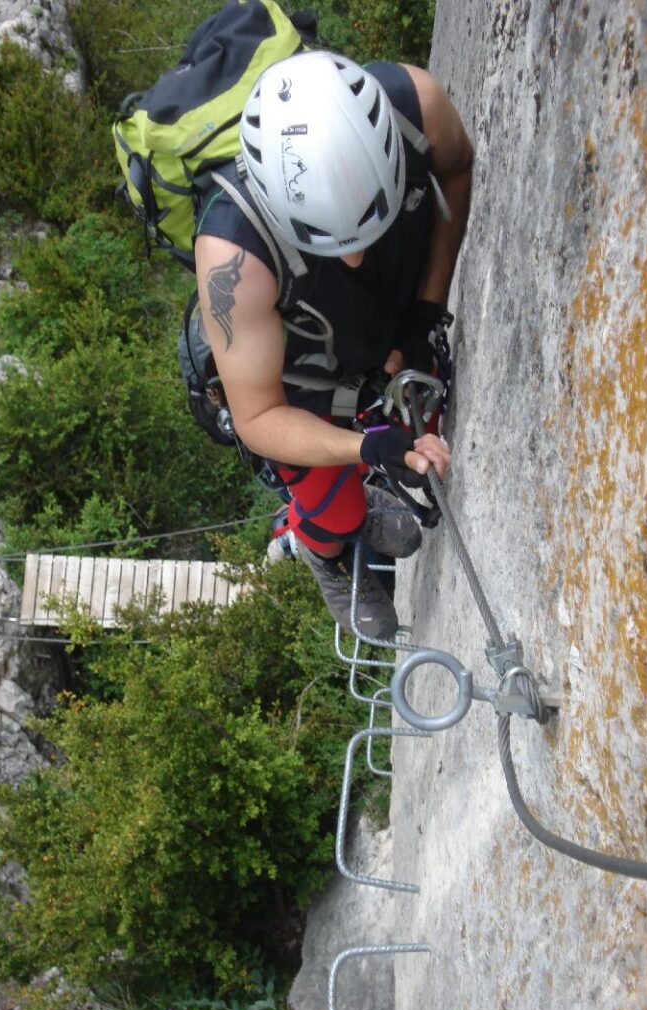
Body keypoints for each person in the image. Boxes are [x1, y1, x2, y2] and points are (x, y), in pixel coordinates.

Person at [192, 50, 473, 638]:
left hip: (389, 309)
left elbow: (455, 168)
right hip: (301, 382)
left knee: (415, 429)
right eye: (329, 240)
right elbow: (259, 416)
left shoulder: (418, 108)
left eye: (369, 222)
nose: (352, 256)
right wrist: (367, 450)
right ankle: (327, 550)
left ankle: (354, 501)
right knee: (334, 510)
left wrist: (426, 313)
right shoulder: (233, 257)